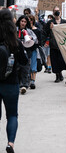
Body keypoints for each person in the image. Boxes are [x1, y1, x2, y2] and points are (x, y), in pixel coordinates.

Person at [0, 9, 29, 153]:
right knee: (12, 115)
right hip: (11, 83)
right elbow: (24, 61)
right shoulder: (15, 42)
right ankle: (10, 143)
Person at [43, 6, 66, 83]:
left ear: (60, 12)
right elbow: (45, 32)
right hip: (53, 45)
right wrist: (45, 42)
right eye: (55, 11)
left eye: (58, 11)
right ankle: (57, 75)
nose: (56, 12)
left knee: (61, 60)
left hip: (62, 45)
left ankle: (60, 73)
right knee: (54, 61)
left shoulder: (64, 22)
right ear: (53, 13)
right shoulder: (50, 22)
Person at [15, 15, 38, 94]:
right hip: (16, 52)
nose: (23, 23)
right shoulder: (15, 30)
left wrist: (31, 38)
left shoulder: (29, 31)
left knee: (25, 68)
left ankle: (24, 85)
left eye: (25, 22)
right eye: (22, 21)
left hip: (26, 52)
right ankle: (18, 84)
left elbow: (36, 40)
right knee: (17, 68)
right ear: (19, 22)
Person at [27, 14, 42, 89]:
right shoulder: (25, 30)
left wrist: (33, 40)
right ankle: (28, 79)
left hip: (34, 49)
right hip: (26, 49)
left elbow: (39, 41)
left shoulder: (37, 30)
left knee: (33, 65)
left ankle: (33, 80)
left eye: (30, 20)